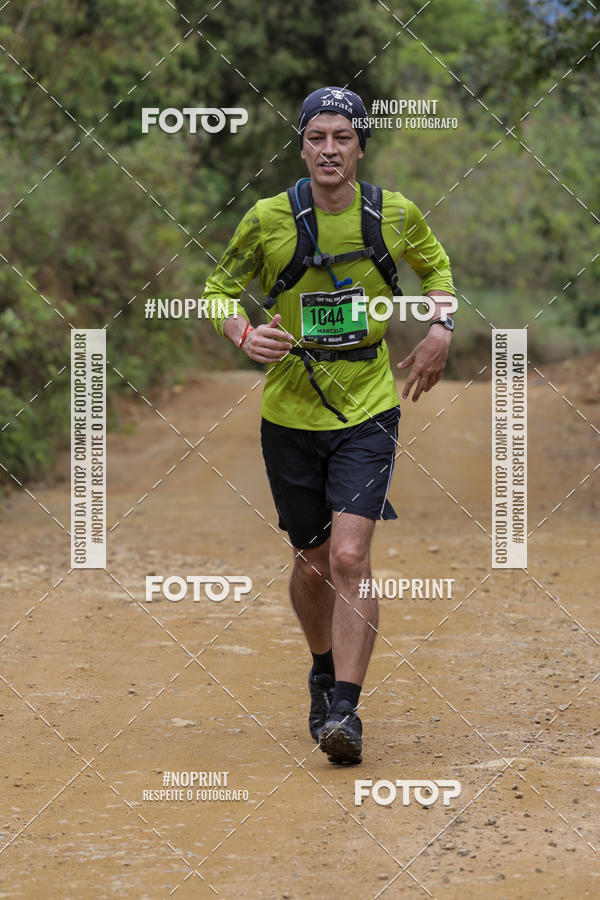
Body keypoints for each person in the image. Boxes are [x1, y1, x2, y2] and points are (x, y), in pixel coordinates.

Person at [204, 86, 455, 764]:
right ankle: (321, 669)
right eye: (317, 137)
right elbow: (218, 289)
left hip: (368, 407)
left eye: (342, 137)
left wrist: (442, 326)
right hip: (288, 411)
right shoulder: (267, 218)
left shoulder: (391, 214)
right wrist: (243, 334)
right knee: (312, 563)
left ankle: (345, 707)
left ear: (361, 145)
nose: (329, 149)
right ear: (303, 145)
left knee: (349, 556)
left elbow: (437, 269)